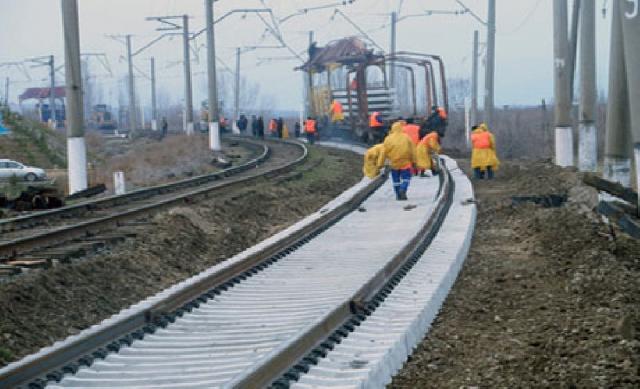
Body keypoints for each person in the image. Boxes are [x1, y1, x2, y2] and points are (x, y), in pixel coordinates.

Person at [383, 121, 416, 201]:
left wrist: (382, 163)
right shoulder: (406, 137)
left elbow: (384, 152)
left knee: (396, 180)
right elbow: (412, 150)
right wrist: (414, 161)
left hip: (394, 163)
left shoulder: (388, 138)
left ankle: (398, 195)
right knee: (406, 178)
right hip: (405, 162)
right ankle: (403, 189)